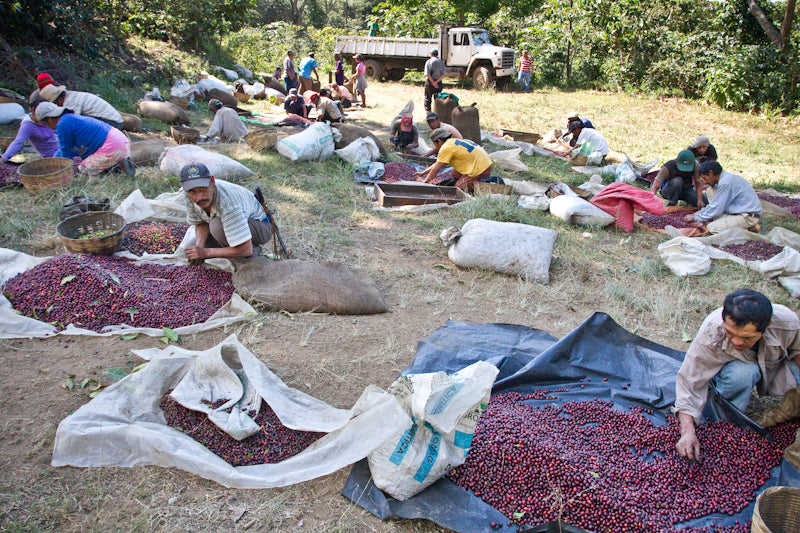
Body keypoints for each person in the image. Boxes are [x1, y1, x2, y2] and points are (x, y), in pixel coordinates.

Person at [674, 289, 800, 462]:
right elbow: (690, 381)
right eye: (730, 333)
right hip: (733, 369)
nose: (737, 342)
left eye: (747, 337)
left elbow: (798, 350)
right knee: (742, 374)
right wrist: (687, 432)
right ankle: (729, 421)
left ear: (767, 326)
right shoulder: (713, 331)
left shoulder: (787, 323)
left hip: (773, 366)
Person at [181, 162, 272, 262]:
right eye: (192, 192)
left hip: (262, 225)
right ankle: (231, 246)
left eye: (203, 189)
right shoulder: (187, 194)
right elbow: (200, 221)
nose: (199, 197)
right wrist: (199, 246)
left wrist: (206, 253)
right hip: (236, 219)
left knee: (216, 227)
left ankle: (253, 256)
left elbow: (245, 249)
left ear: (212, 181)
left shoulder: (228, 203)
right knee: (194, 247)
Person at [36, 101, 134, 176]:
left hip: (112, 146)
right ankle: (118, 162)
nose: (47, 127)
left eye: (45, 124)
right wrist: (53, 161)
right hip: (120, 139)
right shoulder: (68, 118)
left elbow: (66, 154)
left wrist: (62, 174)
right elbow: (64, 148)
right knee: (84, 163)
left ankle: (117, 169)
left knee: (84, 170)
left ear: (49, 119)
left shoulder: (62, 125)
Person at [683, 161, 762, 233]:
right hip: (736, 211)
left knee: (711, 228)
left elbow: (716, 207)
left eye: (705, 178)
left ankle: (748, 230)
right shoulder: (724, 179)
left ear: (711, 173)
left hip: (746, 217)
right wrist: (697, 214)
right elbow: (714, 205)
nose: (705, 182)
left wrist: (695, 217)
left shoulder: (725, 183)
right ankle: (724, 222)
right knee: (710, 190)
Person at [414, 128, 493, 193]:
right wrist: (422, 173)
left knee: (458, 189)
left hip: (481, 168)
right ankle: (467, 180)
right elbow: (437, 164)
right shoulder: (453, 142)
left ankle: (475, 183)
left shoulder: (445, 148)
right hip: (483, 162)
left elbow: (435, 169)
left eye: (435, 145)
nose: (436, 148)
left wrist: (425, 182)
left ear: (439, 141)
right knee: (454, 173)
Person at [39, 84, 124, 130]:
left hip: (112, 123)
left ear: (60, 100)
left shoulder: (70, 102)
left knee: (73, 121)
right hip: (111, 120)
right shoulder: (71, 95)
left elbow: (72, 122)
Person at [1, 99, 59, 163]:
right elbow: (18, 142)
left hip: (62, 148)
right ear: (33, 110)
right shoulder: (28, 126)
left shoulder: (48, 118)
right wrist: (4, 158)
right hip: (51, 156)